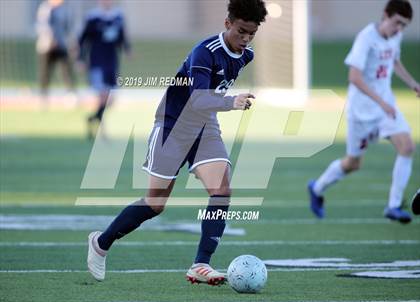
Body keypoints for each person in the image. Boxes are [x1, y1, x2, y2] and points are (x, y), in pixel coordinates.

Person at [87, 0, 267, 284]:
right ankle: (101, 243)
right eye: (241, 31)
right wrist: (232, 101)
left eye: (251, 34)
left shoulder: (246, 56)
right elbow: (196, 98)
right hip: (173, 125)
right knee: (155, 204)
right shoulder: (204, 52)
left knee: (222, 189)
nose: (245, 39)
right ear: (227, 23)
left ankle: (201, 264)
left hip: (205, 126)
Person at [308, 0, 419, 224]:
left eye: (404, 26)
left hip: (385, 108)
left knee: (407, 146)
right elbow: (354, 78)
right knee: (352, 164)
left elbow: (394, 61)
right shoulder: (366, 38)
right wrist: (381, 102)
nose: (399, 29)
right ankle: (317, 188)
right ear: (385, 15)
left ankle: (393, 206)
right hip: (362, 113)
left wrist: (413, 84)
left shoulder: (394, 36)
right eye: (397, 22)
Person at [78, 0, 131, 139]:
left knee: (111, 99)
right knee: (102, 97)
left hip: (112, 62)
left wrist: (127, 49)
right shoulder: (93, 17)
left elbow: (122, 37)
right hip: (97, 62)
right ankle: (103, 132)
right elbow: (84, 39)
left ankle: (92, 119)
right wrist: (80, 59)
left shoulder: (118, 17)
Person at [36, 0, 76, 103]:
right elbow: (43, 25)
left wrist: (70, 41)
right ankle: (43, 95)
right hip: (46, 46)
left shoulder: (64, 9)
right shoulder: (45, 8)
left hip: (61, 45)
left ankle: (70, 93)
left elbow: (68, 27)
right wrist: (51, 39)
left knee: (66, 69)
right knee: (45, 72)